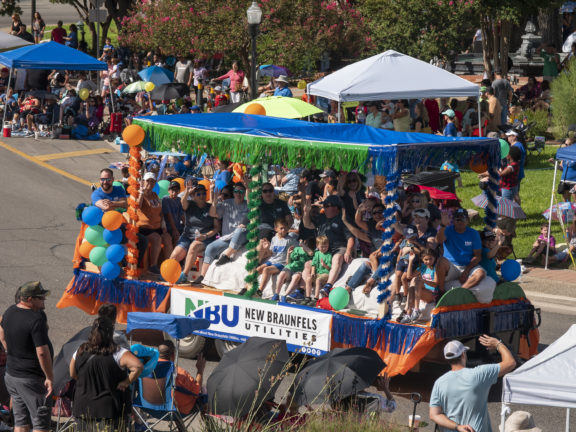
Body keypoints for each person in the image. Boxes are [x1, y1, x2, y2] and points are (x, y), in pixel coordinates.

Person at [70, 317, 143, 432]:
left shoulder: (81, 350)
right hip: (109, 411)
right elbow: (138, 366)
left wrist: (87, 382)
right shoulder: (118, 352)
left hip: (82, 408)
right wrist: (126, 382)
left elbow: (73, 373)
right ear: (111, 333)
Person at [429, 336, 516, 432]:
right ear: (463, 354)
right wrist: (498, 344)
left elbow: (434, 415)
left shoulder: (439, 383)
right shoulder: (479, 374)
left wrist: (457, 427)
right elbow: (510, 363)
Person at [0, 282, 53, 432]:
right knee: (40, 424)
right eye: (41, 297)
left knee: (21, 422)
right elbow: (42, 352)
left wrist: (11, 352)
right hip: (32, 379)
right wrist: (49, 377)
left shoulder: (10, 311)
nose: (44, 300)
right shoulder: (36, 320)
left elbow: (1, 332)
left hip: (12, 376)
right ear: (29, 299)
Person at [437, 208, 496, 303]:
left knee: (480, 273)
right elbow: (438, 240)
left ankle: (460, 292)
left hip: (468, 265)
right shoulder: (447, 230)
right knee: (441, 261)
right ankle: (440, 291)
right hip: (451, 266)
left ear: (468, 220)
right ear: (453, 220)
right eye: (457, 219)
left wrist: (466, 271)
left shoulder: (473, 233)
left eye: (463, 218)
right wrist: (443, 225)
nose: (460, 221)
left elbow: (478, 256)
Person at [302, 194, 354, 296]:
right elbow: (307, 224)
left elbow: (351, 238)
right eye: (323, 206)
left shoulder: (343, 219)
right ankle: (302, 290)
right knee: (308, 264)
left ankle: (328, 286)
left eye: (326, 206)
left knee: (337, 258)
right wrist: (306, 212)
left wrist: (348, 251)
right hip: (322, 249)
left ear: (336, 207)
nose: (324, 208)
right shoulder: (322, 218)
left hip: (338, 248)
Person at [171, 182, 220, 285]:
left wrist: (205, 236)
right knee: (174, 256)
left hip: (205, 238)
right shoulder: (190, 204)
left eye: (203, 193)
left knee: (194, 246)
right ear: (194, 195)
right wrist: (187, 193)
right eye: (198, 194)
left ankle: (184, 275)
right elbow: (183, 203)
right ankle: (170, 275)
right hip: (188, 236)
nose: (201, 196)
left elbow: (216, 228)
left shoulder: (210, 207)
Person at [196, 182, 248, 279]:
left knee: (240, 230)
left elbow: (252, 208)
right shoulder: (227, 203)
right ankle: (202, 276)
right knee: (210, 248)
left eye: (241, 191)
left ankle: (226, 256)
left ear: (245, 193)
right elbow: (212, 214)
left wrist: (248, 188)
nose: (239, 194)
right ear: (233, 193)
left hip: (241, 237)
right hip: (227, 238)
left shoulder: (247, 204)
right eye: (236, 191)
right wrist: (214, 201)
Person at [136, 172, 173, 273]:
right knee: (157, 238)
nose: (150, 183)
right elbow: (137, 206)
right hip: (144, 228)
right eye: (148, 181)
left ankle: (167, 265)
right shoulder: (140, 194)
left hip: (156, 227)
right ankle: (153, 266)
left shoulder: (154, 195)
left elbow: (160, 212)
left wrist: (163, 224)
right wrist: (141, 193)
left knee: (168, 238)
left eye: (152, 181)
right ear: (143, 182)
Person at [156, 341, 205, 415]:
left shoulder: (148, 369)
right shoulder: (179, 373)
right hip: (177, 410)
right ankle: (210, 425)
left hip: (151, 408)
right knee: (205, 393)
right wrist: (200, 370)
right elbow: (196, 390)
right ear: (173, 355)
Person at [257, 218, 297, 298]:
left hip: (281, 263)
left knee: (266, 270)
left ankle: (259, 291)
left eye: (285, 228)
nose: (284, 230)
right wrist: (267, 248)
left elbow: (297, 248)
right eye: (281, 228)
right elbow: (271, 253)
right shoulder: (274, 239)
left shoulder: (290, 240)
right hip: (272, 261)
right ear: (276, 229)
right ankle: (248, 288)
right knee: (258, 269)